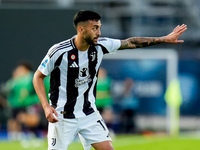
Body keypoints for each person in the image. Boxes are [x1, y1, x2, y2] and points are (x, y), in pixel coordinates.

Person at [33, 10, 187, 150]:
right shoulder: (59, 51)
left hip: (88, 113)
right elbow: (38, 77)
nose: (99, 32)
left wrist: (164, 39)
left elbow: (131, 42)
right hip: (62, 116)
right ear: (81, 29)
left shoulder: (101, 45)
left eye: (99, 27)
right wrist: (46, 106)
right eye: (94, 28)